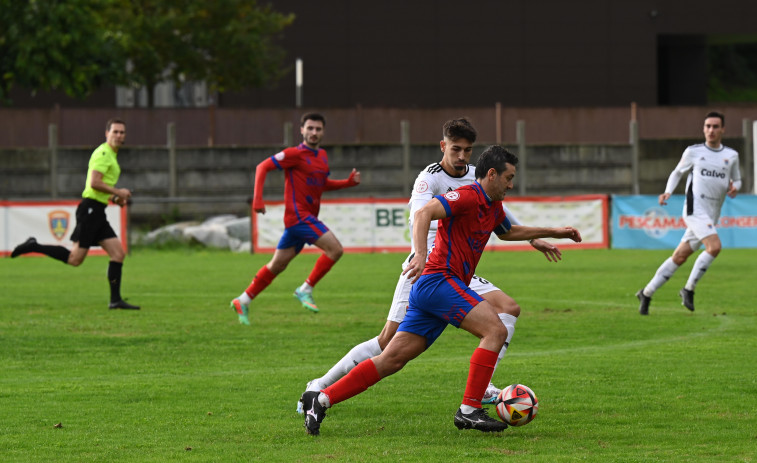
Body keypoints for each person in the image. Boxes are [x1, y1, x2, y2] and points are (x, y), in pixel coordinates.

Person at [300, 145, 582, 435]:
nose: (511, 185)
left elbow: (508, 231)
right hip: (438, 281)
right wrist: (420, 254)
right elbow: (424, 213)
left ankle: (320, 400)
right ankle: (469, 410)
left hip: (435, 289)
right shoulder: (468, 196)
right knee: (495, 330)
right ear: (493, 174)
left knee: (391, 359)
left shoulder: (492, 205)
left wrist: (553, 232)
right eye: (509, 178)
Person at [229, 113, 360, 324]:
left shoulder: (322, 156)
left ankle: (243, 300)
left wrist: (347, 183)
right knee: (335, 250)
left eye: (318, 129)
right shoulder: (294, 154)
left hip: (303, 220)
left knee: (277, 265)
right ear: (301, 130)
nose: (314, 133)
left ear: (323, 132)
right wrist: (257, 199)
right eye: (310, 128)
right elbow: (262, 167)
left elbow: (321, 183)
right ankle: (305, 288)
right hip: (299, 217)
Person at [11, 118, 140, 310]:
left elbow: (97, 189)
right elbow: (94, 183)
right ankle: (34, 245)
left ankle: (115, 301)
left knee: (118, 254)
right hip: (90, 211)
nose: (119, 135)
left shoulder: (111, 156)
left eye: (122, 132)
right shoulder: (104, 153)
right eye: (115, 132)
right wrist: (118, 192)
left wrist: (115, 199)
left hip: (97, 210)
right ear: (107, 134)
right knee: (75, 259)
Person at [636, 111, 741, 315]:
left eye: (715, 126)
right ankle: (688, 289)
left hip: (712, 213)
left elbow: (736, 179)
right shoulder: (693, 151)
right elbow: (677, 172)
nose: (711, 130)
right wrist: (668, 191)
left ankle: (646, 293)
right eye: (708, 126)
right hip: (695, 209)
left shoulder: (731, 156)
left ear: (723, 130)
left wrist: (735, 187)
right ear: (703, 129)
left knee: (680, 256)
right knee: (715, 247)